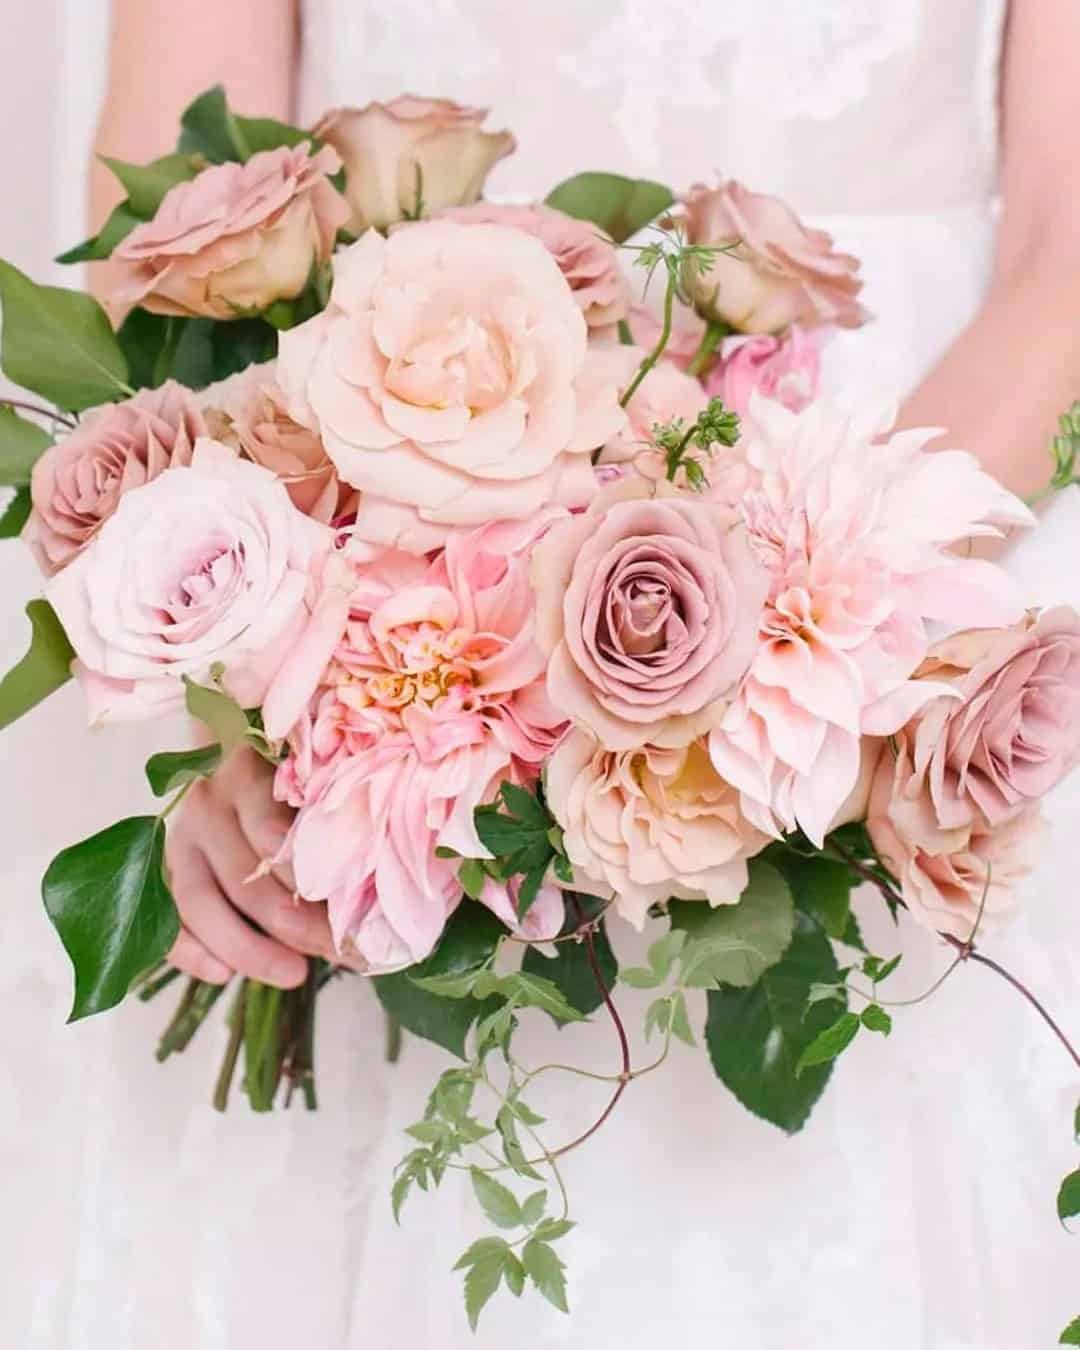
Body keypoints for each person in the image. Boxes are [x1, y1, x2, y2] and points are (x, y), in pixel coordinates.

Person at [8, 2, 1078, 1346]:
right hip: (369, 500)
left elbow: (1069, 255)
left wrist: (766, 637)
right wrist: (275, 677)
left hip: (922, 519)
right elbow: (166, 233)